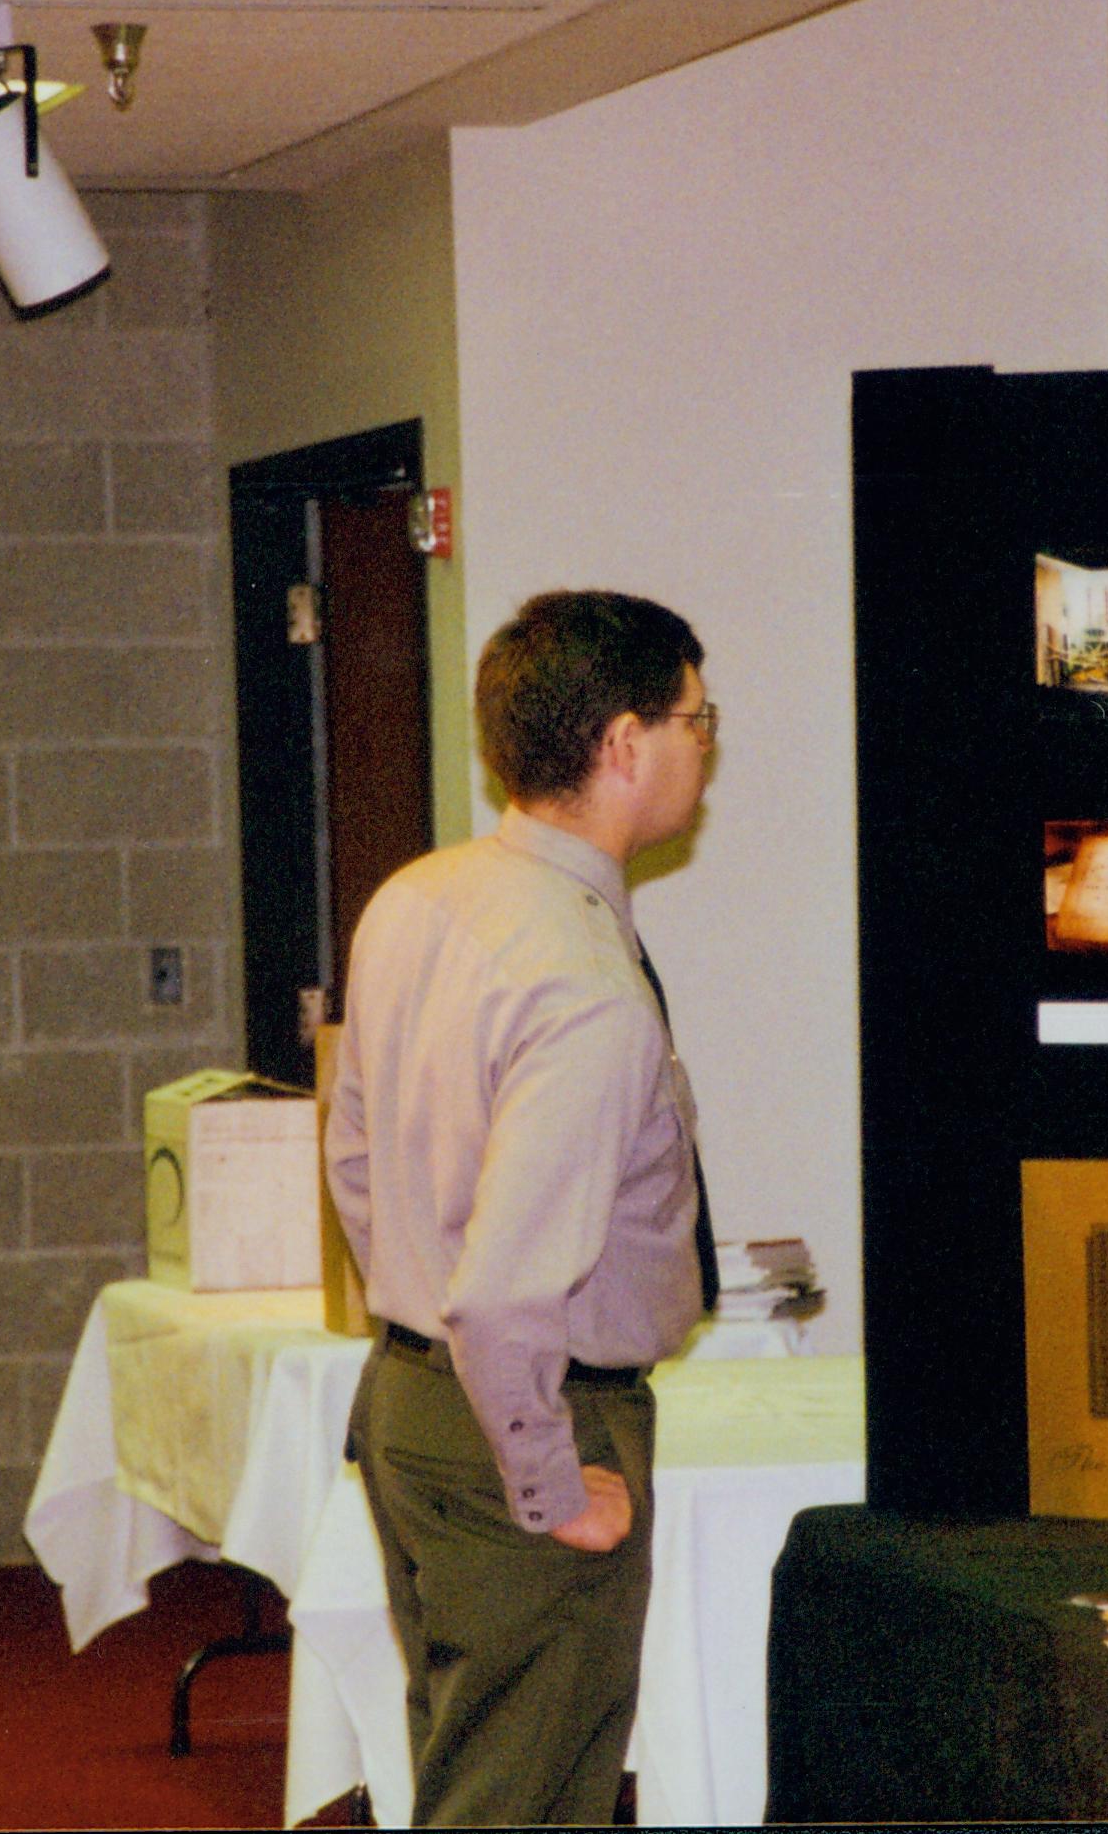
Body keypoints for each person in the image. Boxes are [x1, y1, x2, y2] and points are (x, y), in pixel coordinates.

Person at [324, 589, 719, 1826]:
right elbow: (502, 1288)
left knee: (473, 1772)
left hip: (411, 1402)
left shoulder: (421, 895)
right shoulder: (583, 983)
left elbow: (349, 1159)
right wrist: (553, 1482)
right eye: (697, 718)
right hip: (526, 1420)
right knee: (528, 1796)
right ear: (621, 744)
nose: (708, 748)